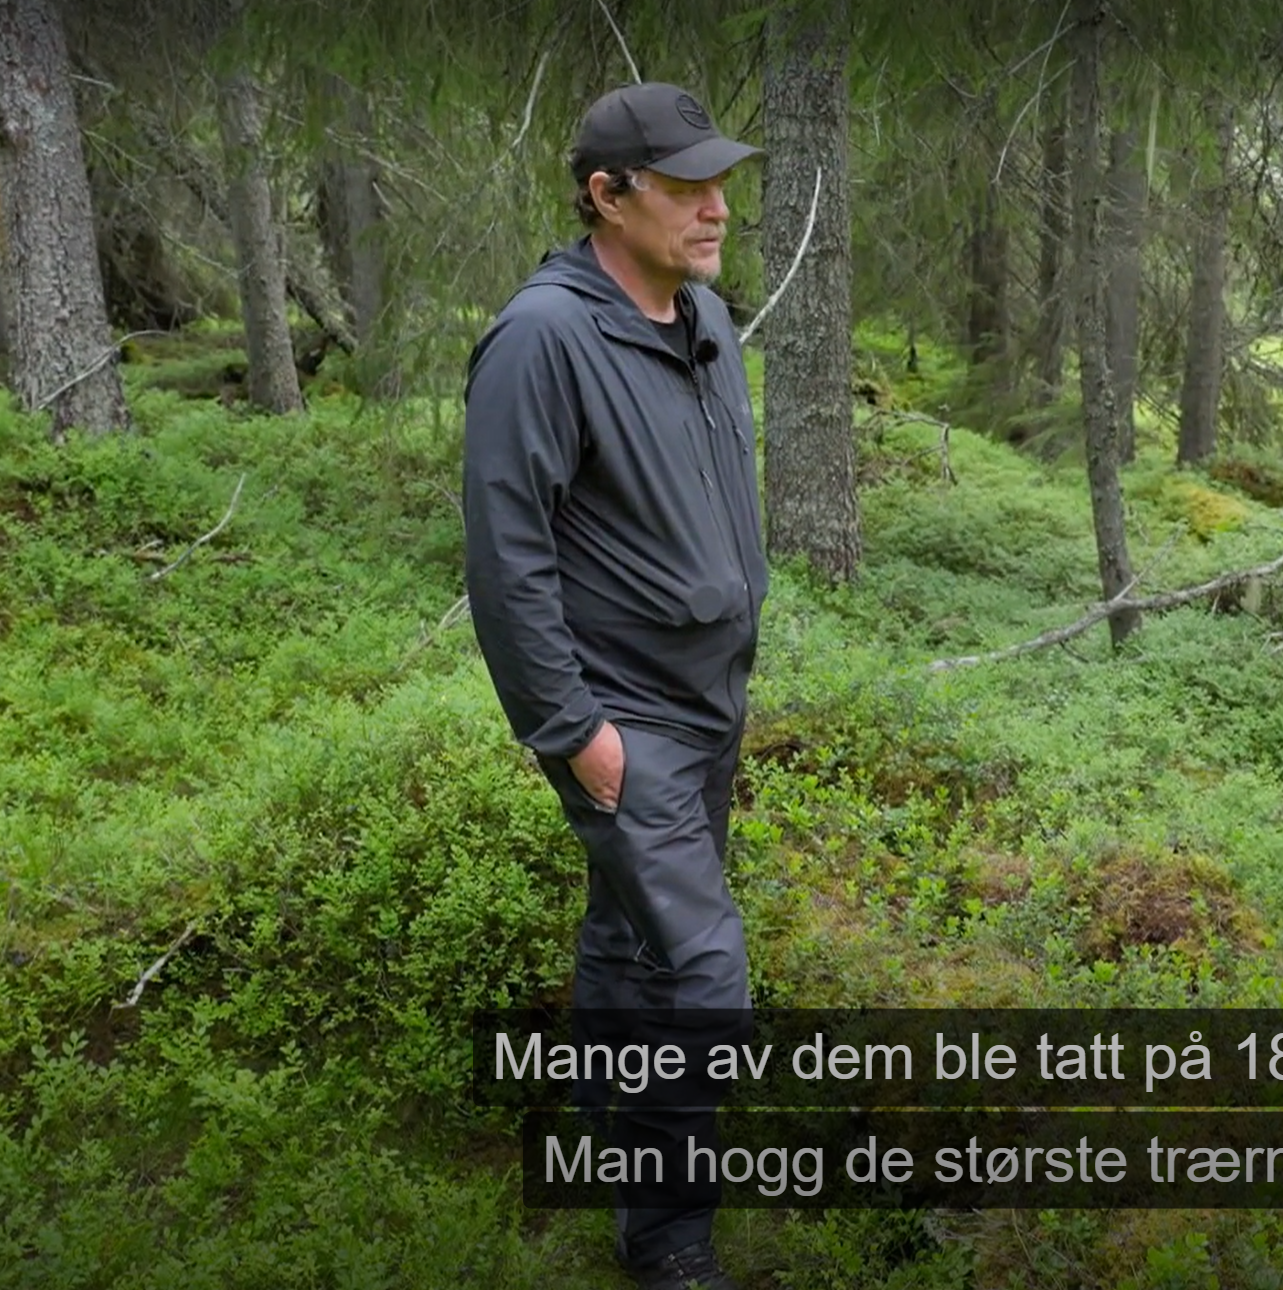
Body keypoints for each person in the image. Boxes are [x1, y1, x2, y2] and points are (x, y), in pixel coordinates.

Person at [462, 82, 765, 1290]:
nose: (716, 208)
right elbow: (505, 552)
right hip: (620, 715)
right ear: (606, 194)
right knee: (703, 974)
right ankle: (671, 1241)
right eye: (685, 187)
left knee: (636, 946)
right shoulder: (541, 337)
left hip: (709, 702)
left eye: (720, 183)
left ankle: (608, 1144)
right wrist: (571, 728)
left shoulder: (706, 319)